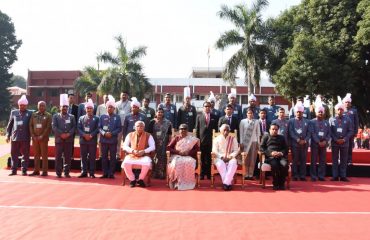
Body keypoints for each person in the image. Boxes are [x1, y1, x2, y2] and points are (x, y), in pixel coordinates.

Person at [122, 121, 155, 188]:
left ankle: (140, 179)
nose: (139, 128)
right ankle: (132, 180)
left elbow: (153, 147)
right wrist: (132, 151)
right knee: (125, 163)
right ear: (135, 127)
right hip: (132, 155)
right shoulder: (130, 135)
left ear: (144, 127)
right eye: (138, 126)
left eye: (141, 126)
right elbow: (125, 146)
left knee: (147, 163)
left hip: (144, 155)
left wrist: (144, 151)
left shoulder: (148, 135)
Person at [167, 123, 199, 190]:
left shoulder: (192, 139)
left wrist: (188, 152)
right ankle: (176, 182)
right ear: (179, 130)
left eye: (185, 129)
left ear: (187, 130)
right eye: (181, 129)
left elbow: (197, 149)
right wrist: (178, 152)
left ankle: (187, 183)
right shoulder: (176, 138)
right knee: (177, 163)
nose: (183, 130)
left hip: (188, 156)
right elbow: (169, 148)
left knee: (189, 162)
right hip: (177, 155)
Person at [6, 95, 32, 176]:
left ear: (26, 105)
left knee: (25, 154)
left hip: (25, 137)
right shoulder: (14, 112)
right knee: (14, 154)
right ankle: (13, 170)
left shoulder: (30, 113)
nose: (22, 107)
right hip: (15, 137)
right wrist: (7, 135)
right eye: (21, 105)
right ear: (18, 105)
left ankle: (24, 170)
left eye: (24, 105)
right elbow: (9, 125)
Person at [52, 94, 76, 178]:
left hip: (68, 140)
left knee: (67, 157)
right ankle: (58, 172)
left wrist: (68, 134)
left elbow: (74, 127)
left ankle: (66, 172)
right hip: (59, 140)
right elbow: (54, 127)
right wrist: (61, 134)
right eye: (63, 106)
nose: (65, 108)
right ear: (60, 107)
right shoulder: (55, 116)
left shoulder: (72, 117)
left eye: (66, 106)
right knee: (58, 157)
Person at [260, 123, 289, 190]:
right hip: (270, 157)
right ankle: (275, 183)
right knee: (275, 165)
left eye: (276, 129)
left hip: (280, 157)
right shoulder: (266, 137)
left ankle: (281, 184)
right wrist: (271, 153)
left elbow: (286, 149)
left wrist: (281, 153)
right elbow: (261, 148)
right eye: (273, 129)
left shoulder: (282, 137)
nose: (274, 131)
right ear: (269, 130)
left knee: (284, 165)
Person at [99, 96, 122, 179]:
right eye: (109, 107)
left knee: (113, 157)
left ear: (114, 108)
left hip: (112, 140)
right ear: (106, 108)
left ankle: (111, 173)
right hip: (104, 140)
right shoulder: (102, 117)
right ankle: (105, 173)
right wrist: (104, 133)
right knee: (104, 157)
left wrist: (112, 133)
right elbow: (99, 128)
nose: (110, 108)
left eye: (112, 107)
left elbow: (119, 128)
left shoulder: (117, 117)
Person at [329, 102, 353, 181]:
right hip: (335, 142)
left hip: (344, 143)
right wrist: (336, 139)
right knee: (334, 159)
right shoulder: (331, 119)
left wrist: (344, 139)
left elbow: (350, 131)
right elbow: (330, 131)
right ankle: (335, 176)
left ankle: (343, 176)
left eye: (341, 109)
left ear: (343, 110)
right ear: (336, 110)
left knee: (344, 159)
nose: (340, 111)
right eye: (338, 109)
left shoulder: (348, 119)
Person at [212, 124, 239, 191]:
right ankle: (228, 183)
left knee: (233, 163)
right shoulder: (216, 139)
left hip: (230, 157)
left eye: (227, 130)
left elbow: (236, 150)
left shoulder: (233, 139)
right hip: (219, 157)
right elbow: (214, 150)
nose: (226, 132)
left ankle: (225, 183)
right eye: (224, 130)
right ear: (221, 131)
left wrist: (230, 157)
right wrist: (221, 157)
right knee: (221, 164)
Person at [195, 101, 218, 180]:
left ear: (211, 108)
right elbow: (197, 129)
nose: (207, 108)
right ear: (203, 107)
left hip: (211, 141)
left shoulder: (215, 117)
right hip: (201, 141)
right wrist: (197, 141)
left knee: (209, 159)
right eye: (205, 106)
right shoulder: (199, 116)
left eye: (209, 106)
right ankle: (201, 174)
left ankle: (208, 174)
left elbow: (216, 130)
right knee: (201, 159)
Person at [148, 107, 172, 179]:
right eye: (158, 112)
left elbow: (170, 134)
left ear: (163, 113)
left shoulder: (168, 123)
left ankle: (162, 174)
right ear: (156, 113)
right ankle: (154, 174)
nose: (160, 113)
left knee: (163, 157)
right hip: (154, 143)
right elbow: (149, 134)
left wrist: (169, 144)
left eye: (161, 112)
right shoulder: (152, 122)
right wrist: (150, 144)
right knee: (154, 157)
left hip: (164, 143)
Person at [288, 101, 310, 181]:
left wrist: (305, 140)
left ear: (302, 112)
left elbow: (309, 132)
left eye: (300, 112)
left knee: (303, 160)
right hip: (295, 144)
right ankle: (295, 175)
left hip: (304, 144)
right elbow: (291, 132)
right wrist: (297, 139)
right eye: (297, 112)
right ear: (295, 112)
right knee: (295, 160)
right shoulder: (291, 121)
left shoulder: (307, 121)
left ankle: (302, 175)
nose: (299, 113)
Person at [77, 99, 99, 178]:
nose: (89, 110)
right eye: (87, 108)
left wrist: (91, 135)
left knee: (92, 156)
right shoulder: (81, 118)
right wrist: (84, 135)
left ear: (93, 109)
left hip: (92, 140)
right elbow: (78, 128)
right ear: (85, 109)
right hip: (83, 140)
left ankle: (92, 172)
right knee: (83, 156)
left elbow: (97, 129)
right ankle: (84, 171)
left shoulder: (96, 118)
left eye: (90, 108)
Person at [29, 101, 52, 176]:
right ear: (37, 106)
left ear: (45, 107)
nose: (41, 107)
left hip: (44, 139)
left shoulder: (48, 115)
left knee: (44, 155)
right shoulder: (34, 114)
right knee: (36, 155)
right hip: (35, 138)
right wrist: (33, 135)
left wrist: (42, 136)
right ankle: (36, 170)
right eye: (40, 105)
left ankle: (44, 171)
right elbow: (31, 125)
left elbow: (48, 127)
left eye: (43, 106)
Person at [309, 102, 330, 181]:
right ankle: (313, 176)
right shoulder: (312, 122)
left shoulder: (326, 123)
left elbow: (329, 133)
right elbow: (312, 133)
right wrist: (318, 141)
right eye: (319, 112)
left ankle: (321, 176)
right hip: (315, 144)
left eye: (321, 112)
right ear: (316, 112)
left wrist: (325, 141)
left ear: (323, 112)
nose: (320, 113)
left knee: (322, 160)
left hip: (324, 144)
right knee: (313, 161)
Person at [239, 108, 261, 180]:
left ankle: (250, 174)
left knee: (252, 159)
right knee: (245, 159)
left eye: (251, 113)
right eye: (248, 113)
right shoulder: (242, 121)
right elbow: (241, 133)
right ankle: (245, 174)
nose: (250, 114)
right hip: (245, 142)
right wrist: (241, 142)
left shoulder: (256, 122)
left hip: (254, 142)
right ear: (246, 114)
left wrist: (258, 143)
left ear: (253, 114)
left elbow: (258, 133)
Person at [342, 93, 359, 165]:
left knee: (349, 147)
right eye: (346, 102)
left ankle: (349, 160)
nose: (347, 103)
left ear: (350, 103)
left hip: (351, 132)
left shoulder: (354, 111)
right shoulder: (341, 110)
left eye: (348, 102)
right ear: (344, 103)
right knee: (342, 147)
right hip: (342, 132)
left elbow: (356, 122)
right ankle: (342, 160)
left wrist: (356, 132)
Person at [115, 91, 131, 159]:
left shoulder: (130, 103)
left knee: (127, 140)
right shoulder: (116, 104)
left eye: (125, 95)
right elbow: (115, 114)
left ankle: (127, 155)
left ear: (127, 96)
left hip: (127, 125)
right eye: (122, 95)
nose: (123, 96)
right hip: (119, 125)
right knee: (118, 141)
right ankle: (118, 154)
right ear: (120, 96)